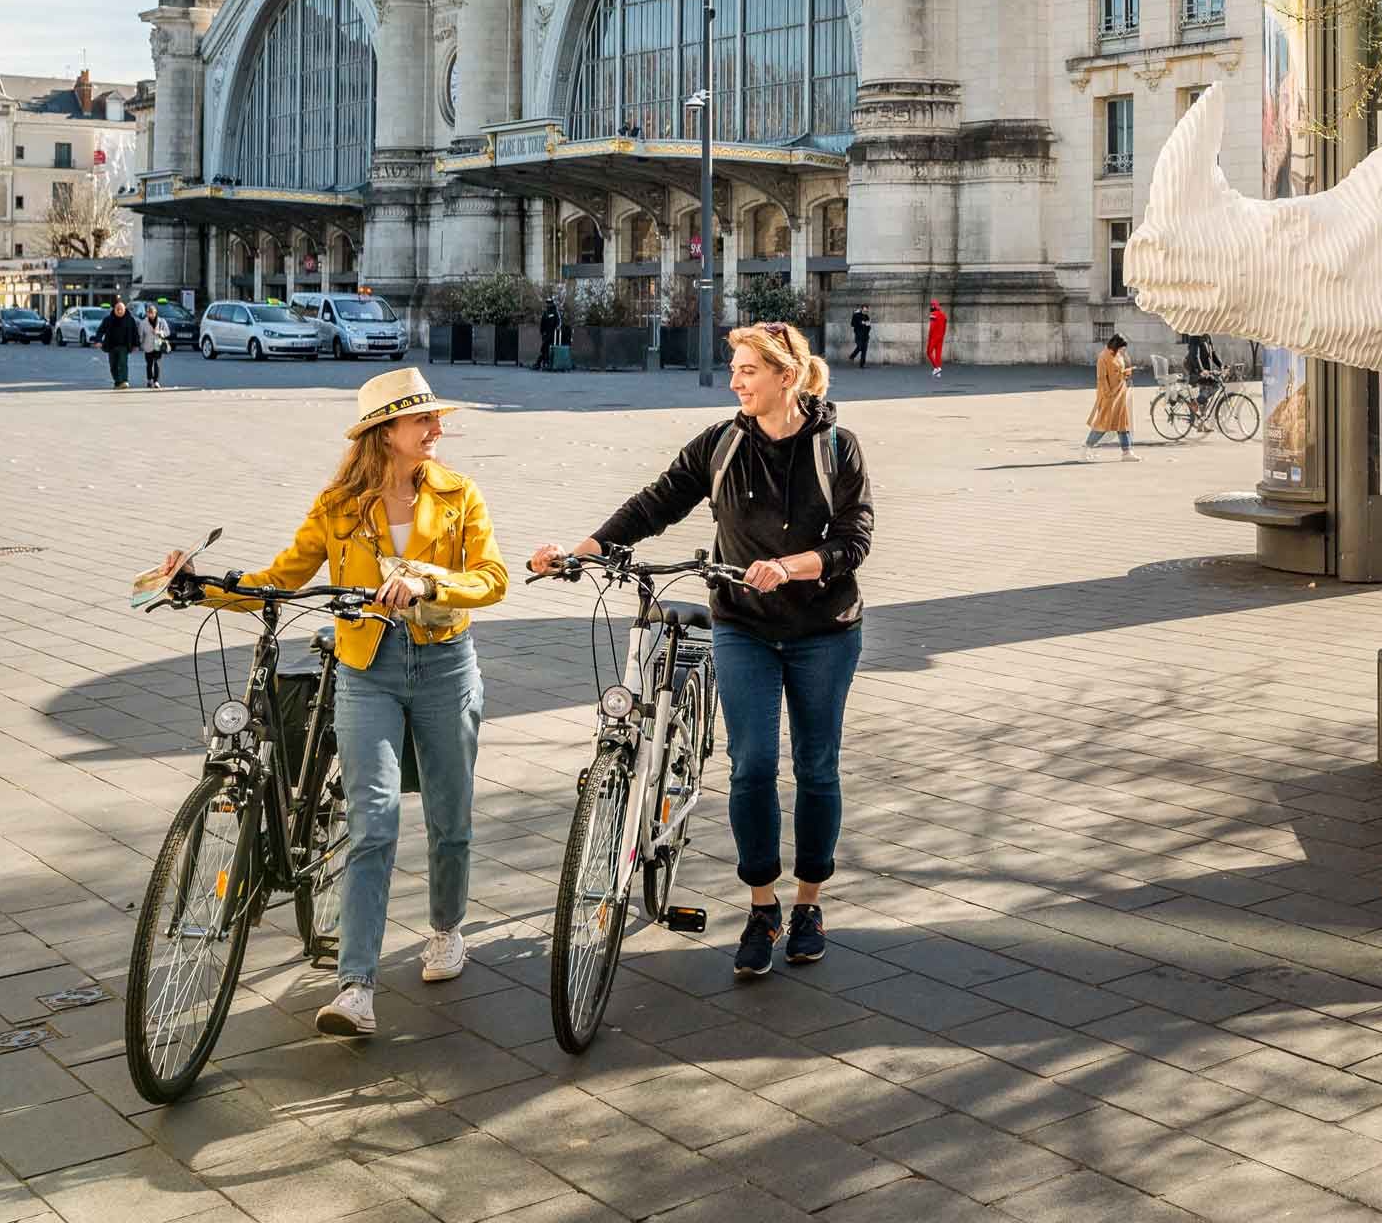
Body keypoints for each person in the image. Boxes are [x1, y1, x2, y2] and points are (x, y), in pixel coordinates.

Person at [157, 367, 507, 1039]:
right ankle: (355, 987)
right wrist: (200, 585)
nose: (437, 429)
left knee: (449, 817)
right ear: (386, 432)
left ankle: (445, 929)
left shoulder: (459, 494)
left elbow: (491, 579)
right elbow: (279, 578)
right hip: (366, 668)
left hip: (444, 664)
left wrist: (429, 583)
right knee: (374, 821)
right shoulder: (339, 506)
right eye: (423, 420)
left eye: (435, 419)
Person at [530, 321, 873, 981]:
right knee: (751, 765)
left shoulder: (836, 446)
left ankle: (809, 902)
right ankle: (763, 907)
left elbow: (854, 540)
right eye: (734, 368)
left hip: (824, 632)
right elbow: (656, 503)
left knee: (816, 767)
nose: (735, 381)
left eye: (748, 370)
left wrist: (792, 566)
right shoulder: (722, 444)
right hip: (742, 624)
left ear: (786, 377)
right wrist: (580, 553)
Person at [1083, 334, 1138, 461]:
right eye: (1121, 347)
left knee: (1123, 423)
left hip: (1120, 393)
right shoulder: (1103, 357)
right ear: (1115, 345)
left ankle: (1127, 452)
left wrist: (1125, 373)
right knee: (1103, 424)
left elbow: (1118, 372)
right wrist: (1108, 394)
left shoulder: (1118, 355)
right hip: (1109, 396)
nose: (1123, 350)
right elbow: (1101, 378)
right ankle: (1086, 448)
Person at [98, 296, 142, 390]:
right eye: (117, 309)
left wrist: (136, 344)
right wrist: (98, 340)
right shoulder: (108, 319)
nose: (119, 311)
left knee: (123, 363)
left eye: (121, 309)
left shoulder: (130, 319)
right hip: (111, 346)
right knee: (113, 365)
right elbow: (100, 330)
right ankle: (117, 382)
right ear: (114, 309)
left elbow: (135, 333)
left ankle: (124, 381)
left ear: (124, 310)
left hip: (124, 346)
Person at [1183, 332, 1226, 410]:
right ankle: (1195, 404)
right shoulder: (1195, 337)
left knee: (1205, 395)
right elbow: (1195, 356)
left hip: (1206, 371)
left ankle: (1199, 409)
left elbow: (1212, 354)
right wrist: (1201, 370)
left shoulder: (1208, 336)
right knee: (1215, 384)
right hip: (1196, 371)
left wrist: (1221, 365)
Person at [139, 302, 170, 389]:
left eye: (152, 313)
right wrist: (140, 344)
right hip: (147, 346)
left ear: (155, 313)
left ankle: (156, 381)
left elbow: (168, 332)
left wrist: (159, 332)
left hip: (158, 346)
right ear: (147, 313)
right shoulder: (143, 323)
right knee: (149, 364)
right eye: (149, 313)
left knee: (157, 363)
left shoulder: (162, 321)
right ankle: (149, 380)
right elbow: (140, 335)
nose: (151, 315)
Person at [925, 300, 946, 379]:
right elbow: (944, 328)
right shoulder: (943, 315)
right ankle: (938, 374)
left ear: (933, 306)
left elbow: (932, 327)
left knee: (929, 352)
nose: (931, 307)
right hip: (941, 337)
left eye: (931, 305)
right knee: (938, 354)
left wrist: (930, 336)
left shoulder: (933, 314)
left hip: (934, 337)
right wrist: (942, 335)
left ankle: (936, 368)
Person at [538, 298, 559, 372]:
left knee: (547, 348)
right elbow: (542, 323)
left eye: (549, 303)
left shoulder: (555, 312)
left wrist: (557, 328)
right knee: (544, 348)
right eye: (547, 303)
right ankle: (543, 363)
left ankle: (547, 363)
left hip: (553, 333)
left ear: (552, 303)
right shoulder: (545, 312)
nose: (548, 304)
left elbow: (558, 322)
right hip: (546, 333)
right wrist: (542, 332)